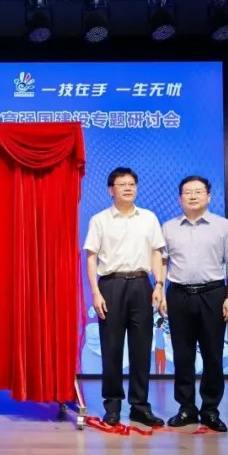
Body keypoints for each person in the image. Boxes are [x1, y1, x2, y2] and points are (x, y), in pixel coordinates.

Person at [159, 175, 228, 433]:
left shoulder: (223, 226)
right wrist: (160, 291)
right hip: (179, 295)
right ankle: (186, 408)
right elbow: (162, 261)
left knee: (212, 355)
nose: (193, 196)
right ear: (180, 198)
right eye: (188, 192)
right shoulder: (168, 227)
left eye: (198, 191)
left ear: (209, 196)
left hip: (213, 294)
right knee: (182, 354)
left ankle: (210, 410)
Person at [83, 167, 166, 427]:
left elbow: (157, 253)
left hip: (141, 284)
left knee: (142, 349)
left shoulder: (148, 218)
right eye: (122, 184)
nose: (128, 188)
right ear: (111, 190)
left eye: (132, 184)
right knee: (112, 348)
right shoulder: (100, 220)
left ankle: (140, 406)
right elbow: (91, 257)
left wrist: (159, 284)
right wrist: (95, 292)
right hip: (111, 285)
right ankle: (113, 406)